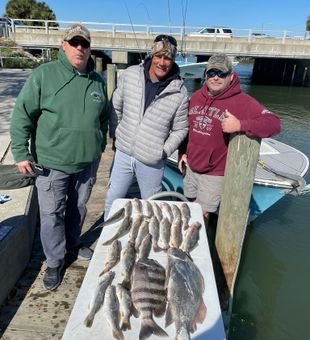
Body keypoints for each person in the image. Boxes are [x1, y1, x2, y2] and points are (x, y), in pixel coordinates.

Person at [10, 23, 109, 291]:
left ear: (90, 49)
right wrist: (21, 152)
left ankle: (73, 244)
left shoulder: (97, 80)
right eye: (74, 42)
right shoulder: (44, 75)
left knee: (78, 208)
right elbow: (22, 115)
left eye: (84, 43)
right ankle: (54, 261)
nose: (80, 47)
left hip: (87, 163)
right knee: (52, 213)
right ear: (63, 45)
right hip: (52, 162)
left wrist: (99, 145)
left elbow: (103, 118)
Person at [178, 53, 281, 225]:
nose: (216, 77)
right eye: (211, 73)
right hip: (192, 166)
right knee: (190, 206)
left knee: (201, 216)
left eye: (222, 73)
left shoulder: (242, 102)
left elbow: (274, 124)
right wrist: (182, 151)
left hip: (214, 173)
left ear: (231, 76)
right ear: (205, 75)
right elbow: (187, 128)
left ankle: (197, 246)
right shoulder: (195, 97)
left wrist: (240, 124)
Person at [105, 34, 189, 218]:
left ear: (173, 60)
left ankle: (147, 244)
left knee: (151, 207)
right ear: (152, 54)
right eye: (159, 56)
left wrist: (163, 151)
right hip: (124, 152)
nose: (162, 62)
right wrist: (115, 135)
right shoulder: (130, 74)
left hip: (152, 160)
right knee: (113, 198)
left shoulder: (180, 92)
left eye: (167, 58)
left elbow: (181, 128)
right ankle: (107, 239)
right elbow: (116, 106)